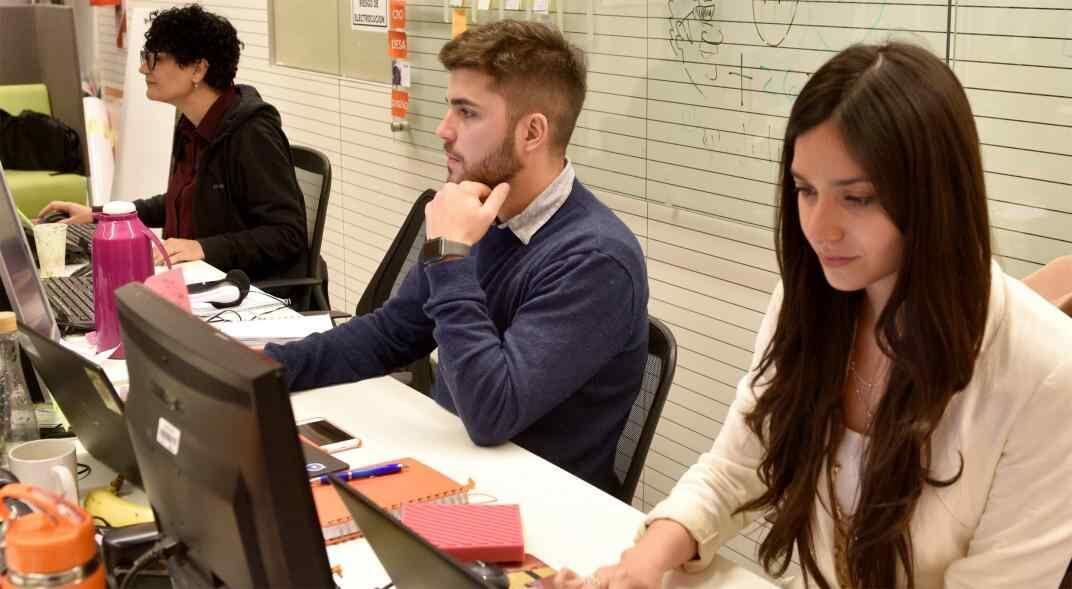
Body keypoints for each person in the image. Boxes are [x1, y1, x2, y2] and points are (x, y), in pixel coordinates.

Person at [550, 43, 1072, 588]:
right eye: (805, 190)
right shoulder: (812, 302)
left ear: (934, 195)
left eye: (858, 198)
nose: (819, 229)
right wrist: (639, 566)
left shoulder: (1048, 371)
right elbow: (737, 468)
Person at [264, 20, 649, 494]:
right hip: (452, 468)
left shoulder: (596, 260)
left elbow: (491, 413)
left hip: (536, 512)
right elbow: (392, 333)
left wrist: (449, 257)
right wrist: (264, 371)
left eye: (467, 113)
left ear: (532, 132)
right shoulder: (486, 209)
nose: (444, 130)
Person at [37, 5, 308, 289]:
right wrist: (100, 215)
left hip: (248, 292)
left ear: (198, 69)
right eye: (145, 57)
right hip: (195, 279)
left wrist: (203, 248)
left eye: (155, 59)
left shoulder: (252, 132)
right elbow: (181, 201)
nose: (143, 68)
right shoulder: (191, 124)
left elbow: (288, 234)